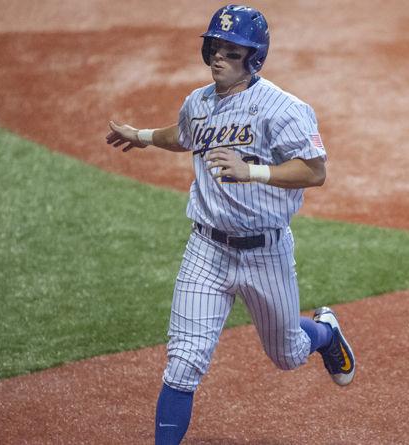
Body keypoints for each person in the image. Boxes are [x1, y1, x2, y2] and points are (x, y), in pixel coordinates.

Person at [105, 5, 355, 444]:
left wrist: (253, 171)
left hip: (266, 252)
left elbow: (315, 172)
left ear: (253, 58)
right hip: (207, 250)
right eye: (214, 48)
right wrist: (141, 136)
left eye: (231, 51)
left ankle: (325, 333)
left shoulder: (284, 109)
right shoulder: (197, 103)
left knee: (288, 355)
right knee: (183, 363)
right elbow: (181, 136)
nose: (218, 57)